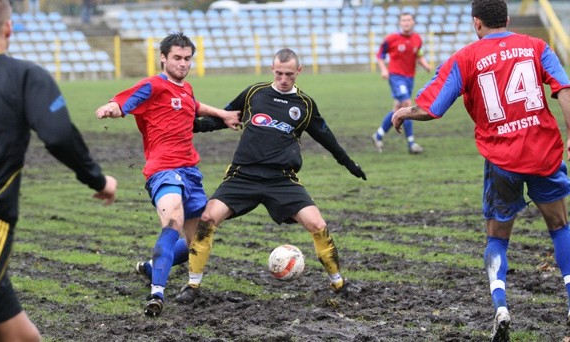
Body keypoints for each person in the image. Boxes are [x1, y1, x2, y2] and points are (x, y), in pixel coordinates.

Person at [0, 0, 118, 340]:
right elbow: (59, 135)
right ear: (8, 28)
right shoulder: (25, 75)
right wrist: (98, 179)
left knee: (23, 338)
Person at [391, 0, 570, 340]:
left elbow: (433, 107)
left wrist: (404, 113)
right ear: (507, 18)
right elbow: (564, 88)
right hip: (543, 152)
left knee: (497, 238)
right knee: (561, 227)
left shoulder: (465, 57)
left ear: (477, 23)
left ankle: (501, 306)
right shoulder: (536, 47)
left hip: (502, 160)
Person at [172, 48, 368, 303]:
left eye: (289, 74)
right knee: (207, 219)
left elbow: (326, 138)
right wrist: (195, 125)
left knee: (317, 225)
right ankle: (192, 286)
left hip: (282, 179)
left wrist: (348, 163)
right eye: (279, 73)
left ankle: (339, 284)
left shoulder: (305, 105)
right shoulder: (256, 93)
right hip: (243, 175)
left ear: (299, 72)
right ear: (272, 69)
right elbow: (226, 116)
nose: (283, 79)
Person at [95, 32, 240, 317]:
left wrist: (223, 114)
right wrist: (110, 109)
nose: (182, 63)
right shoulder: (152, 85)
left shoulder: (185, 89)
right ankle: (157, 294)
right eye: (177, 57)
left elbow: (193, 105)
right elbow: (124, 102)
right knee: (172, 221)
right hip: (163, 170)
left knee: (196, 239)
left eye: (187, 58)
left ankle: (151, 268)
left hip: (191, 171)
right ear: (163, 58)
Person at [372, 12, 432, 154]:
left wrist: (426, 65)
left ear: (413, 23)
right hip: (396, 77)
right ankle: (411, 143)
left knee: (397, 109)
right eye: (403, 20)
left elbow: (419, 55)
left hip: (409, 78)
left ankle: (378, 135)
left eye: (408, 20)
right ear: (400, 23)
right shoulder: (391, 39)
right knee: (407, 106)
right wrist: (383, 70)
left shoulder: (417, 39)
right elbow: (379, 55)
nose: (406, 22)